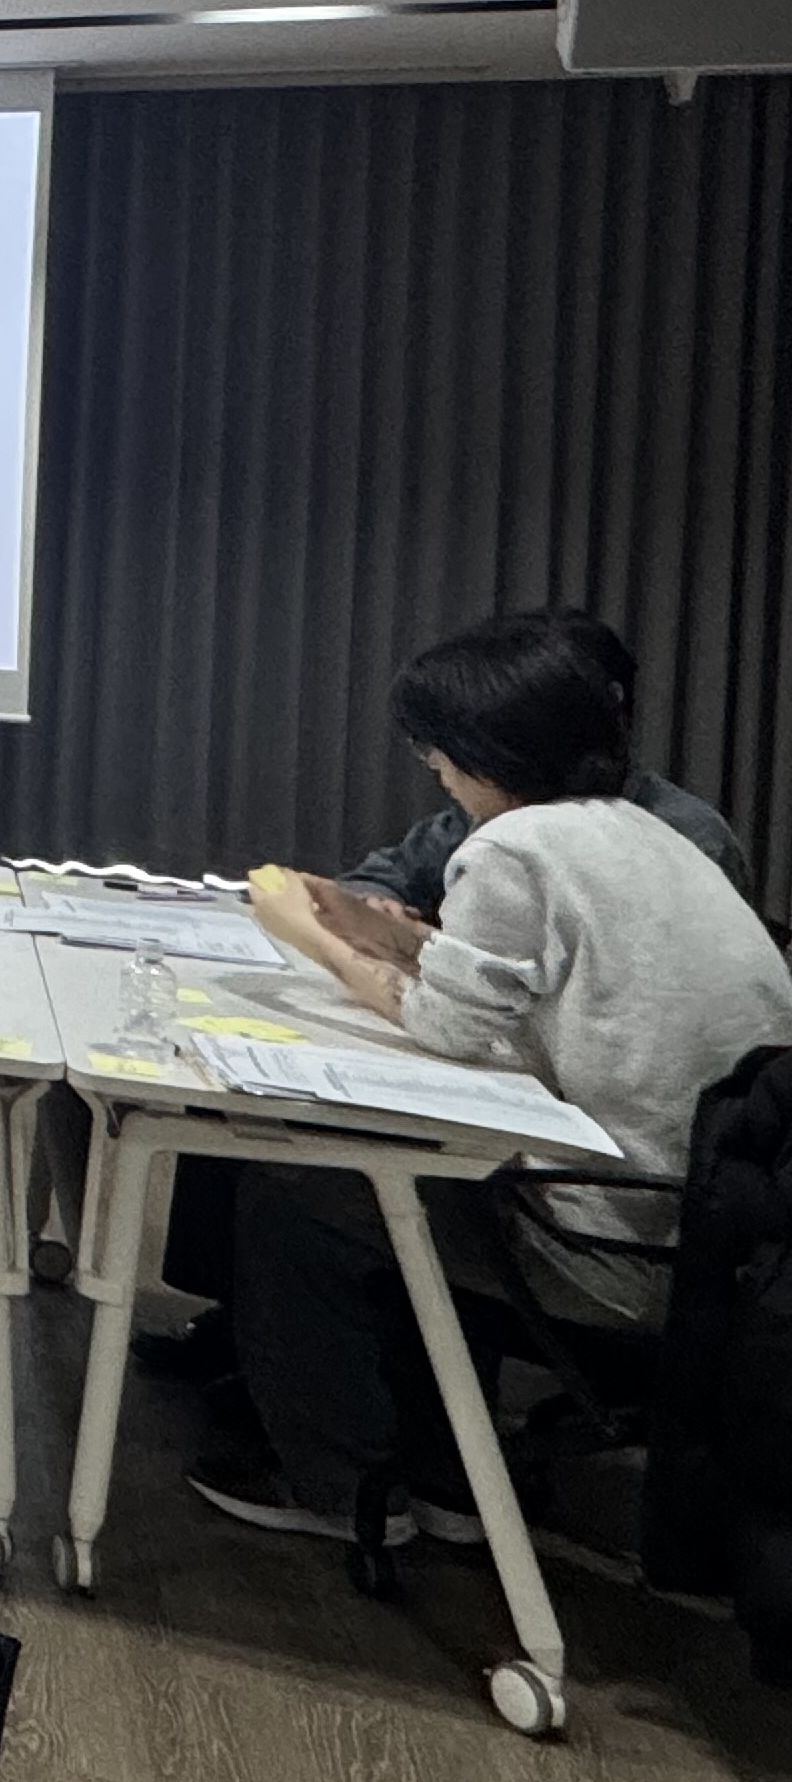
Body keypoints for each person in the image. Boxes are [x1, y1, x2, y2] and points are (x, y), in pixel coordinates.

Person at [192, 616, 792, 1545]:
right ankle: (443, 1473)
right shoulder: (649, 833)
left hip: (614, 1248)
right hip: (724, 1243)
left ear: (482, 749)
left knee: (300, 1191)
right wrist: (373, 929)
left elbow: (450, 1025)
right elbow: (517, 981)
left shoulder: (513, 848)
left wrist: (306, 936)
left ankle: (342, 1489)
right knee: (426, 1179)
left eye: (436, 750)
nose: (433, 770)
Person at [335, 607, 751, 918]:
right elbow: (380, 877)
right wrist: (377, 904)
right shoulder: (492, 812)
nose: (440, 769)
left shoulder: (682, 836)